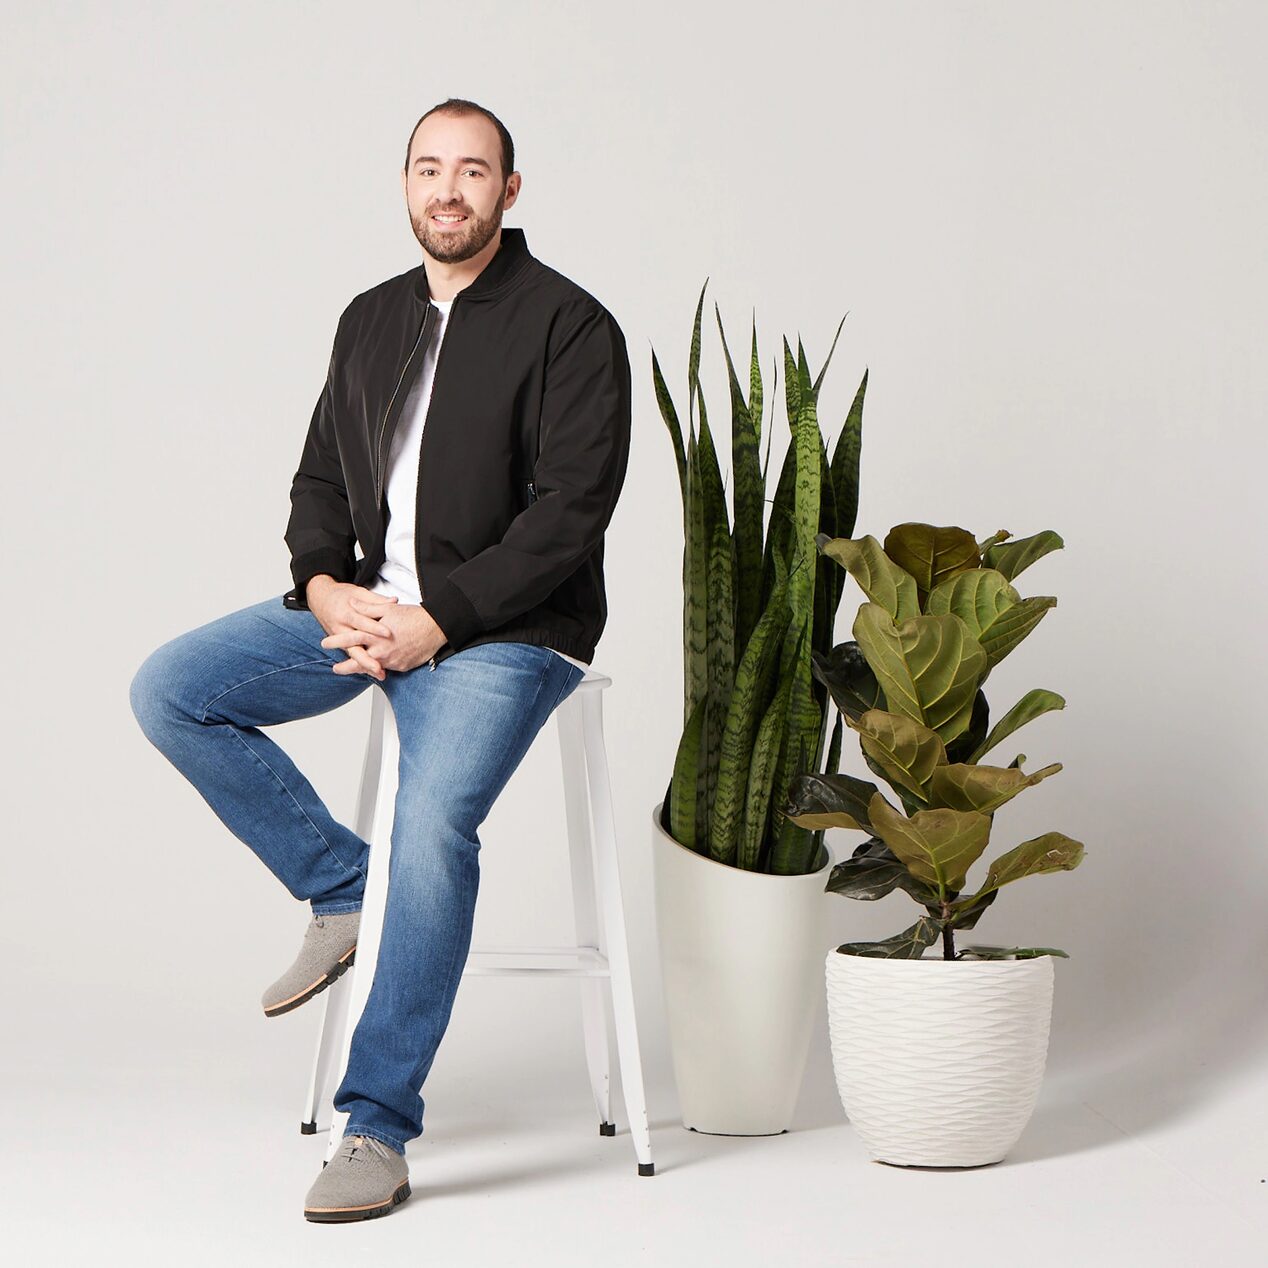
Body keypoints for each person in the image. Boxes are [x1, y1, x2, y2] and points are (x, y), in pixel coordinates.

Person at [128, 97, 631, 1224]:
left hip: (507, 628)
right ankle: (341, 886)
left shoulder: (569, 325)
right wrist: (323, 585)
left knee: (433, 819)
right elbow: (316, 479)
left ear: (511, 189)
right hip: (366, 608)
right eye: (426, 168)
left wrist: (438, 618)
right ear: (404, 185)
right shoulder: (367, 318)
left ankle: (376, 1126)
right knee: (172, 689)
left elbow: (570, 513)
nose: (446, 189)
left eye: (472, 170)